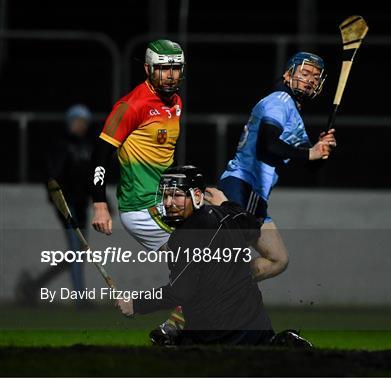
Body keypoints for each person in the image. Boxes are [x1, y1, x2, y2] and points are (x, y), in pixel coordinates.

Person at [115, 165, 311, 347]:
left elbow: (179, 292)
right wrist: (226, 203)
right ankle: (280, 342)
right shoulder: (225, 215)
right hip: (257, 330)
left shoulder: (184, 237)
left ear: (197, 196)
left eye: (176, 196)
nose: (168, 203)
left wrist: (136, 304)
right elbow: (250, 224)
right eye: (165, 196)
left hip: (218, 337)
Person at [218, 52, 337, 281]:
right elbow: (267, 145)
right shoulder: (279, 101)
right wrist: (311, 152)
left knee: (277, 259)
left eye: (315, 77)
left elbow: (311, 166)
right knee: (227, 259)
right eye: (304, 73)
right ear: (287, 74)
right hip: (243, 185)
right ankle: (188, 308)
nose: (310, 80)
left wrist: (323, 150)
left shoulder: (294, 117)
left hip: (256, 196)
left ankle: (227, 289)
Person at [89, 39, 184, 251]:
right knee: (198, 259)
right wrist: (100, 204)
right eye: (162, 69)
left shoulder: (175, 102)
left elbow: (165, 153)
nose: (170, 75)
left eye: (175, 68)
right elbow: (100, 155)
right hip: (141, 208)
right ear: (148, 68)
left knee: (207, 259)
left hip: (167, 201)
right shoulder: (131, 106)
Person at [16, 104, 93, 307]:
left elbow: (90, 178)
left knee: (79, 252)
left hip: (81, 205)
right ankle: (81, 300)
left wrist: (102, 200)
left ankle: (36, 284)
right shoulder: (61, 147)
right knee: (77, 250)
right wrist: (58, 201)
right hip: (68, 207)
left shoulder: (86, 147)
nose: (81, 125)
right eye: (77, 121)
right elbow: (53, 177)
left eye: (84, 122)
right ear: (70, 123)